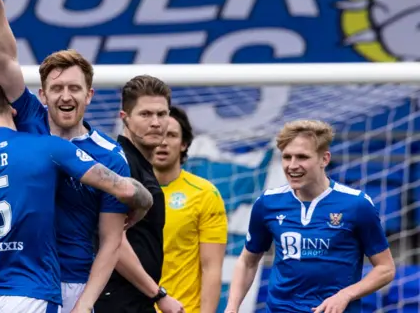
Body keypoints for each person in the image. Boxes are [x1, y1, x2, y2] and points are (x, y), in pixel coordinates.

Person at [0, 0, 133, 312]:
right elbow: (3, 58)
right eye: (56, 88)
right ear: (42, 95)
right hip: (19, 282)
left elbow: (111, 241)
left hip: (73, 283)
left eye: (75, 88)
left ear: (89, 95)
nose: (66, 96)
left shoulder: (109, 156)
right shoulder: (29, 118)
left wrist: (84, 304)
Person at [0, 73, 153, 313]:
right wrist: (144, 204)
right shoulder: (47, 146)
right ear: (13, 109)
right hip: (31, 289)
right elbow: (123, 188)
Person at [224, 119, 396, 313]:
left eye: (302, 157)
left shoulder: (357, 204)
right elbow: (247, 261)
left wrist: (345, 295)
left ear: (324, 159)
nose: (292, 165)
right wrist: (232, 307)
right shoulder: (267, 203)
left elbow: (385, 269)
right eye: (287, 157)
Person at [94, 75, 184, 313]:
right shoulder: (121, 163)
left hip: (135, 298)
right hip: (117, 300)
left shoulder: (141, 164)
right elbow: (113, 240)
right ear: (125, 118)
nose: (155, 122)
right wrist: (158, 294)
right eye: (145, 115)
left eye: (162, 114)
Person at [152, 106, 227, 313]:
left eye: (172, 135)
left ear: (184, 144)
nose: (163, 142)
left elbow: (211, 267)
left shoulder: (204, 194)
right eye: (158, 135)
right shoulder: (126, 190)